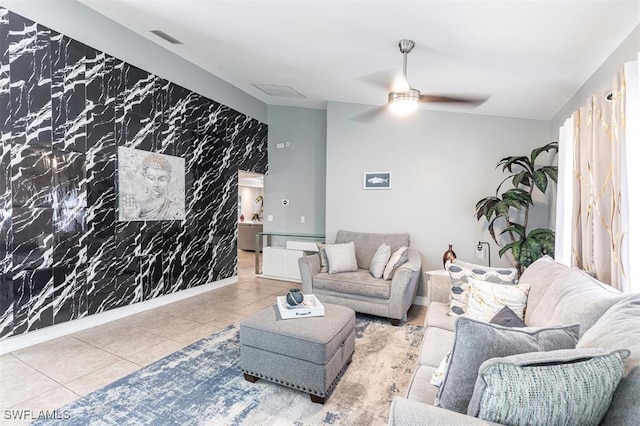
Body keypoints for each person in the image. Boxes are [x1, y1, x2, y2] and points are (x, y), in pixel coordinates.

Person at [122, 153, 183, 220]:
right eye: (151, 178)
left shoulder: (174, 207)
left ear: (168, 179)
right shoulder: (136, 205)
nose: (156, 184)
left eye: (161, 179)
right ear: (145, 178)